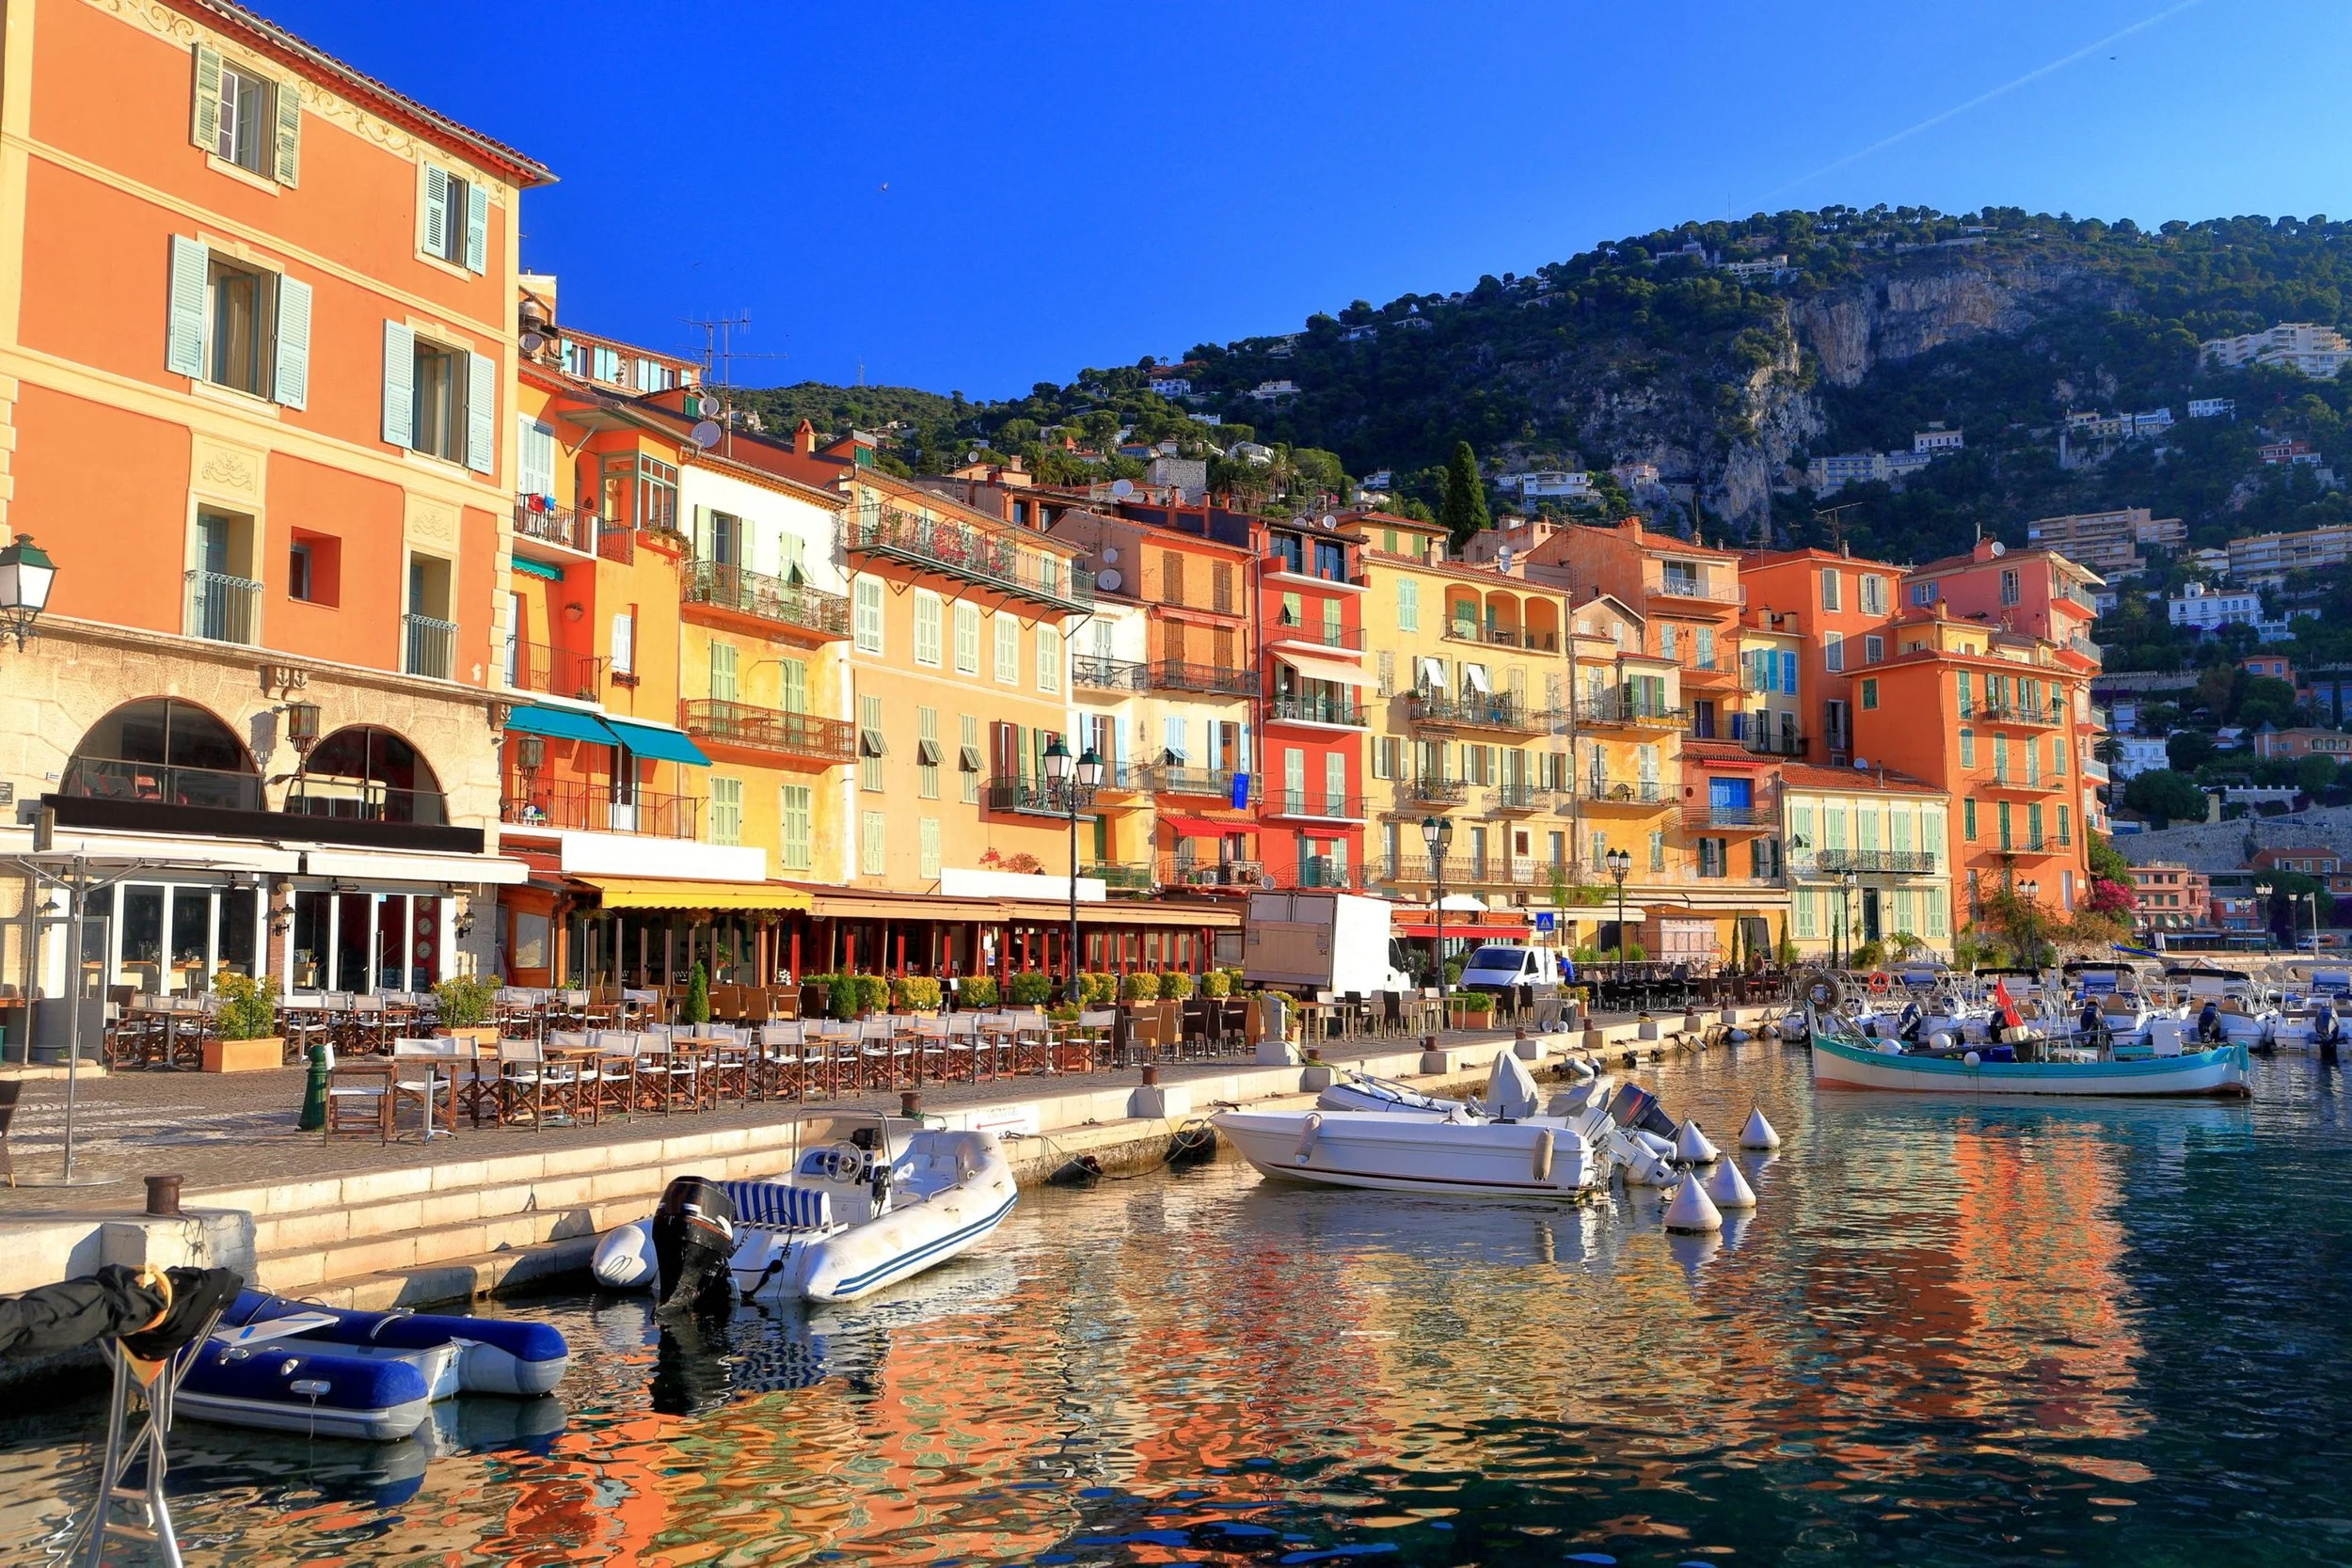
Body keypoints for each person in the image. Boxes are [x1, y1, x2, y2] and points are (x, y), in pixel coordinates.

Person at [2314, 1000, 2342, 1067]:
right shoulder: (2330, 1014)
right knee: (2332, 1061)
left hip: (2325, 1042)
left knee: (2324, 1062)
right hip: (2330, 1042)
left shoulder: (2321, 1013)